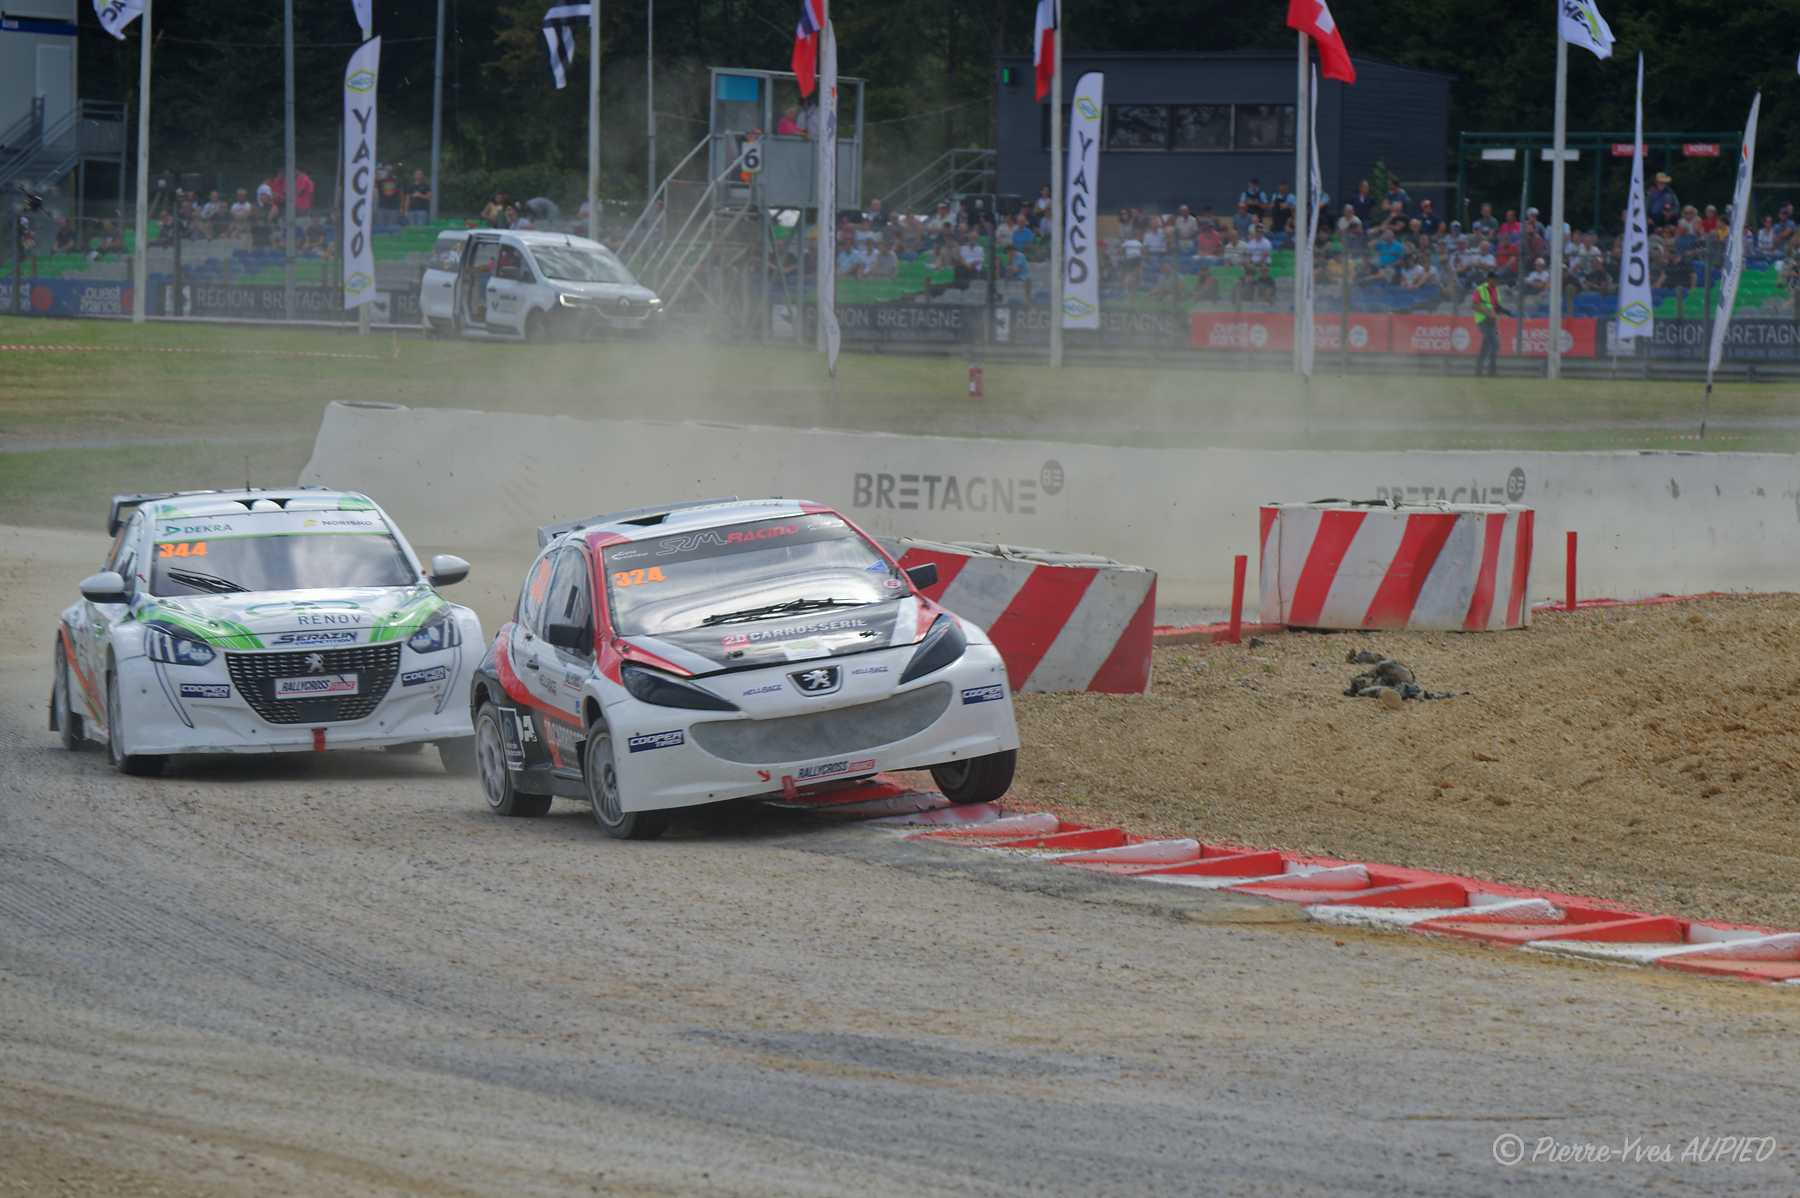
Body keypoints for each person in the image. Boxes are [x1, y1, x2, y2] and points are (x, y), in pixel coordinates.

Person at [1472, 270, 1513, 377]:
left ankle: (1478, 371)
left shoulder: (1495, 290)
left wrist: (1506, 311)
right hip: (1483, 321)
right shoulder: (1480, 289)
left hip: (1492, 321)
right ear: (1489, 280)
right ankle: (1492, 372)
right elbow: (1475, 306)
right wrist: (1488, 313)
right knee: (1495, 345)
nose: (1497, 281)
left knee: (1485, 347)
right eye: (1495, 279)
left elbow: (1496, 307)